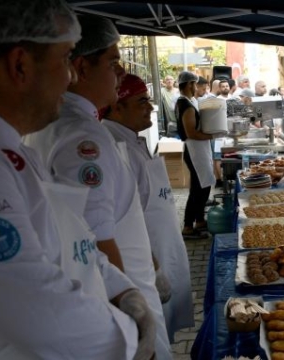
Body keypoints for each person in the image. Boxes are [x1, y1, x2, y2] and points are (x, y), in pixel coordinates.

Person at [0, 1, 156, 358]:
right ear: (20, 65)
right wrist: (129, 339)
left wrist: (120, 289)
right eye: (66, 59)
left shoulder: (5, 149)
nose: (71, 78)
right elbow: (31, 305)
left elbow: (72, 237)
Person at [23, 14, 172, 359]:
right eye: (112, 62)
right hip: (120, 293)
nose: (120, 73)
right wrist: (127, 317)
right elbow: (96, 239)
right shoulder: (83, 136)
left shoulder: (59, 124)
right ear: (81, 67)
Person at [103, 74, 195, 342]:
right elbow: (124, 220)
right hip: (146, 259)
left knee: (165, 329)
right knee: (154, 335)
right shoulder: (115, 147)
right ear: (117, 107)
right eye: (141, 100)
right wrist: (154, 268)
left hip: (163, 247)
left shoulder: (132, 139)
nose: (151, 107)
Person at [175, 71, 216, 239]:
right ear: (189, 84)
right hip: (194, 150)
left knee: (204, 185)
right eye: (194, 84)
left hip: (198, 149)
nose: (196, 87)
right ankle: (187, 226)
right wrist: (212, 135)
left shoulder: (188, 102)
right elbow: (191, 132)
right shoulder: (185, 104)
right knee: (198, 189)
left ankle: (199, 220)